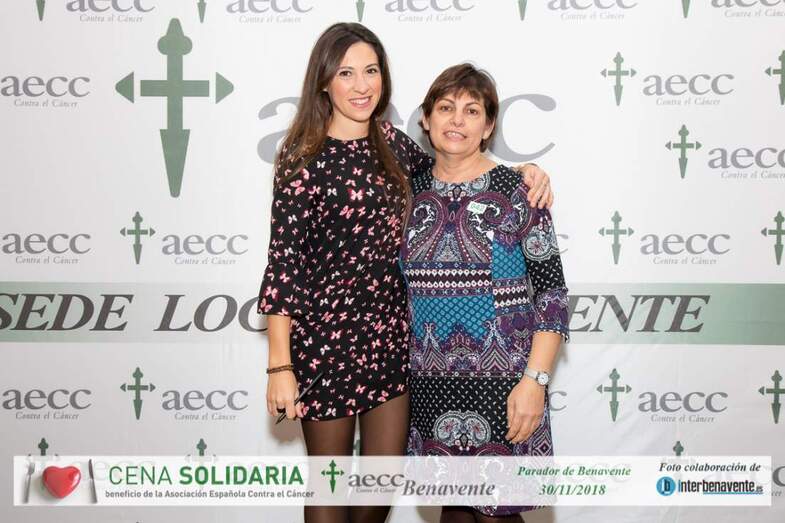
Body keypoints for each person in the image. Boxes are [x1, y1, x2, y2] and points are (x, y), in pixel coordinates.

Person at [257, 23, 554, 523]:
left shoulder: (394, 145)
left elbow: (455, 164)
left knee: (381, 488)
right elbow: (283, 263)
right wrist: (280, 366)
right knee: (329, 484)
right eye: (346, 73)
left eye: (371, 70)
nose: (361, 85)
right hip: (325, 341)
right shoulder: (302, 155)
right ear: (324, 81)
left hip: (393, 341)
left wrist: (526, 172)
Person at [400, 63, 570, 522]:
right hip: (431, 383)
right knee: (454, 511)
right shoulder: (407, 191)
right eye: (445, 108)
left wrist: (535, 383)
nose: (457, 120)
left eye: (472, 111)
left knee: (498, 513)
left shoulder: (519, 191)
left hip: (507, 383)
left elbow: (552, 296)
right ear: (426, 119)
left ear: (489, 126)